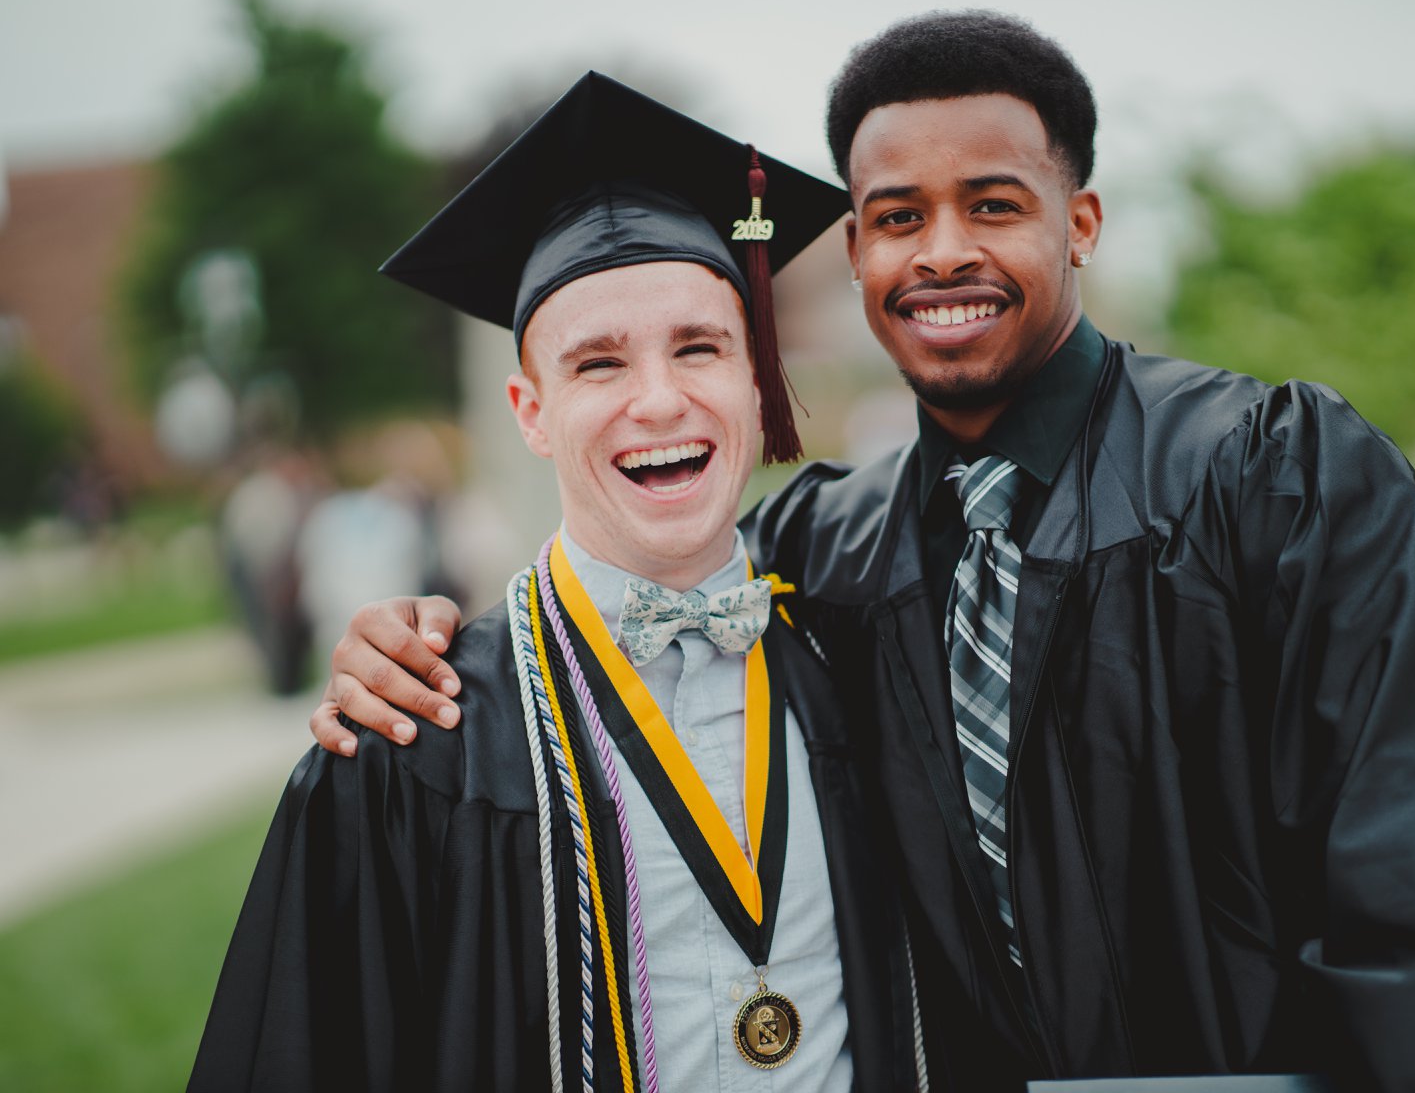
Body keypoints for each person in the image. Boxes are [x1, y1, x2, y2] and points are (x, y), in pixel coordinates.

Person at [310, 14, 1415, 1092]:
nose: (941, 251)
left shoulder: (1273, 479)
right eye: (895, 217)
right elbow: (631, 576)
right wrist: (428, 645)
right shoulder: (825, 552)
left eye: (994, 205)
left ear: (1081, 223)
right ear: (857, 246)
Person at [192, 73, 927, 1092]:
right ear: (530, 411)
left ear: (757, 376)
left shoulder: (868, 655)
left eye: (699, 347)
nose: (660, 399)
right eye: (598, 365)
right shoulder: (415, 737)